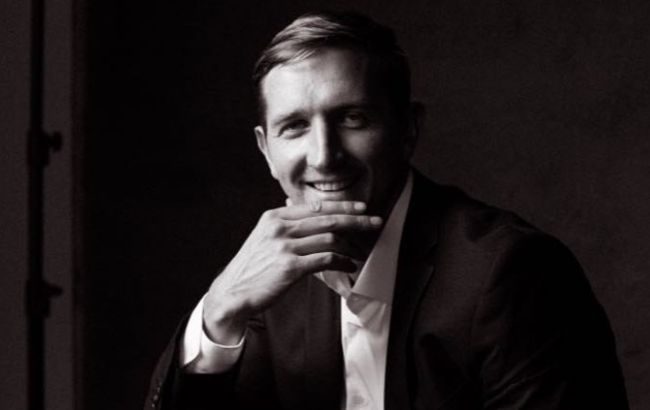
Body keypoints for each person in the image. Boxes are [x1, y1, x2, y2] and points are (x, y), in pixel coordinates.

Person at [145, 11, 628, 410]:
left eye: (352, 118)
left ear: (408, 129)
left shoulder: (511, 273)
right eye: (294, 127)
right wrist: (218, 312)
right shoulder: (269, 284)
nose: (323, 156)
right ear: (266, 150)